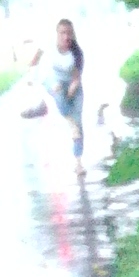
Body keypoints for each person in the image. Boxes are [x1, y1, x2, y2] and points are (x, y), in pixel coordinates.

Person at [27, 19, 86, 174]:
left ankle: (78, 163)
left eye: (69, 33)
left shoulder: (76, 54)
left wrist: (69, 95)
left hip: (73, 87)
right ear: (57, 34)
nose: (66, 36)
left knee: (78, 125)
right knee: (55, 86)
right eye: (63, 33)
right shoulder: (48, 44)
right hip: (54, 82)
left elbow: (75, 80)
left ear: (73, 35)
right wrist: (32, 79)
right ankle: (52, 109)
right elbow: (34, 62)